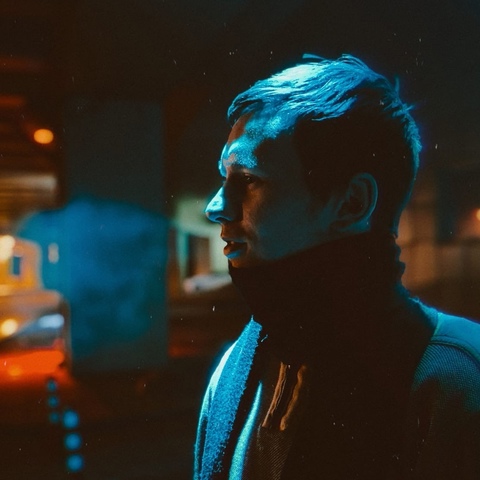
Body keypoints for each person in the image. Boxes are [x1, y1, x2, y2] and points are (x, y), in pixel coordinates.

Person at [195, 54, 480, 480]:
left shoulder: (458, 381)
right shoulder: (235, 368)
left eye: (249, 178)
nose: (215, 207)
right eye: (224, 177)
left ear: (352, 204)